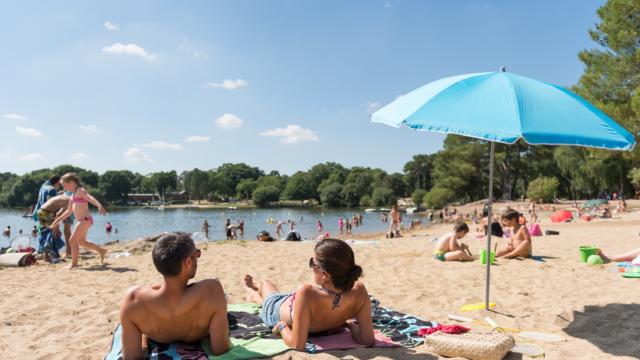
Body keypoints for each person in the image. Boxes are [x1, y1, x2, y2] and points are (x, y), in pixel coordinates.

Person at [243, 238, 375, 351]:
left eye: (313, 263)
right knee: (267, 292)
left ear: (326, 275)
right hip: (295, 302)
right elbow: (367, 340)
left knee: (266, 284)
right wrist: (349, 324)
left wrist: (282, 326)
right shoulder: (359, 291)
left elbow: (297, 346)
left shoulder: (307, 293)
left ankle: (251, 290)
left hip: (275, 309)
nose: (311, 266)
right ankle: (255, 292)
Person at [119, 232, 230, 358]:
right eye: (196, 254)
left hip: (159, 336)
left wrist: (144, 341)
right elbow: (221, 349)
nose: (198, 257)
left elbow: (131, 357)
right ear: (188, 262)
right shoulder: (212, 290)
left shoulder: (133, 301)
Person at [50, 173, 107, 269]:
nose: (63, 187)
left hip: (85, 220)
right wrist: (57, 220)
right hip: (82, 221)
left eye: (64, 185)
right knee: (81, 242)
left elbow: (89, 198)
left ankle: (74, 264)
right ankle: (101, 251)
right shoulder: (72, 195)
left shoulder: (80, 190)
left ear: (71, 182)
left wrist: (99, 205)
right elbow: (68, 211)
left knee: (72, 240)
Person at [37, 194, 70, 260]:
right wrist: (57, 229)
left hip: (41, 211)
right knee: (52, 234)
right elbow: (58, 215)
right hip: (46, 212)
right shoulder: (69, 201)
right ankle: (53, 255)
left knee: (46, 234)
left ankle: (46, 256)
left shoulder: (65, 197)